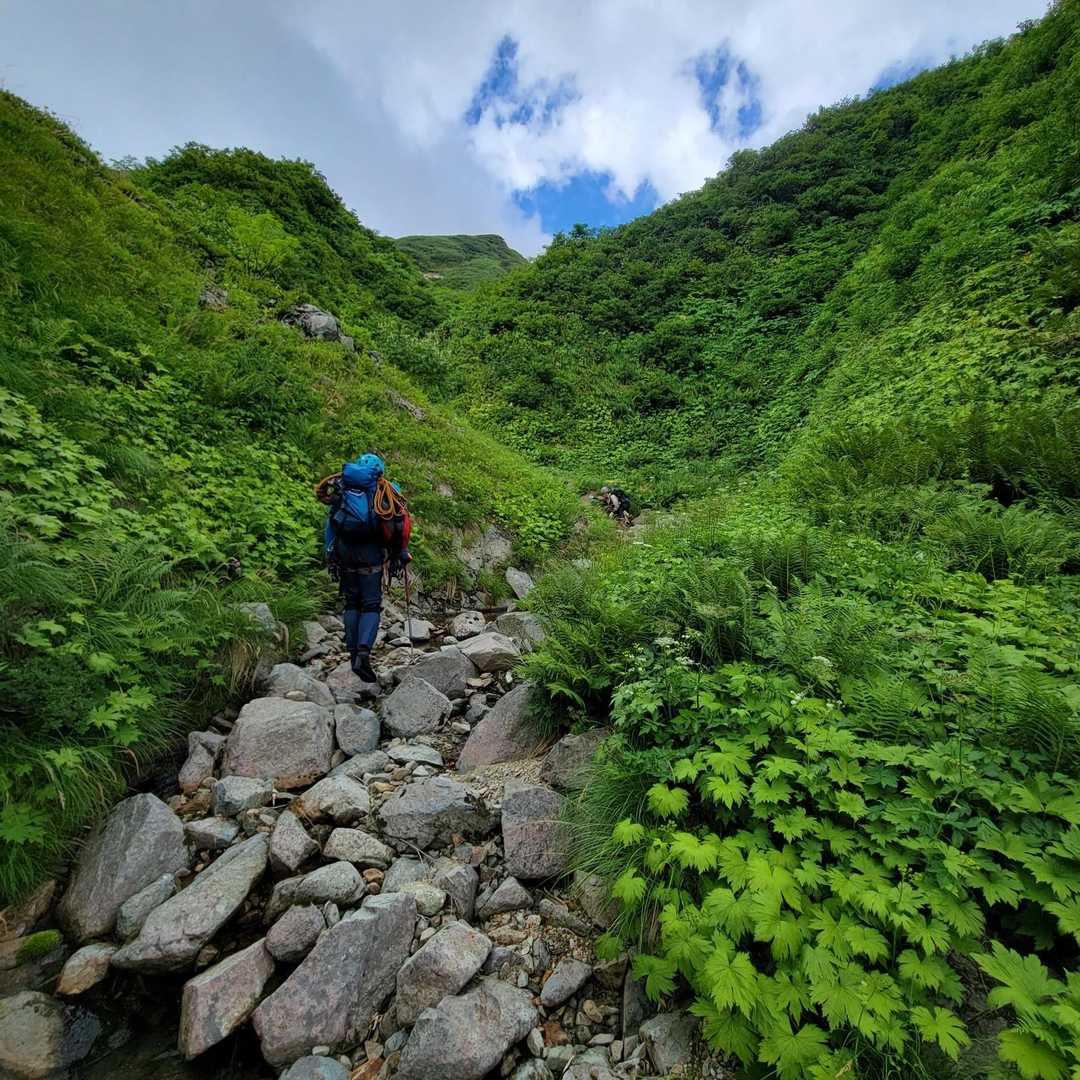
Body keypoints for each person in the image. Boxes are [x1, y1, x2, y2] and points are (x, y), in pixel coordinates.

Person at [318, 453, 411, 683]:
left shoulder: (343, 488)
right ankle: (363, 654)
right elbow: (401, 525)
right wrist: (400, 554)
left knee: (351, 603)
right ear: (380, 471)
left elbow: (331, 524)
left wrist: (330, 554)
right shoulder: (388, 490)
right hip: (371, 555)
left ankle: (352, 656)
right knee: (371, 604)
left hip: (345, 555)